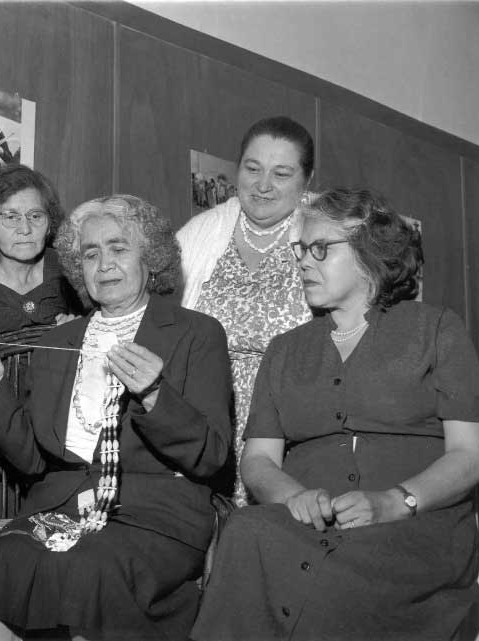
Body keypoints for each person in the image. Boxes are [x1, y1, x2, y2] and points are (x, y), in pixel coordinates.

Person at [191, 189, 479, 640]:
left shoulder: (437, 329)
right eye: (300, 250)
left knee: (324, 582)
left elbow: (470, 456)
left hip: (414, 526)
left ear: (370, 252)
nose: (303, 261)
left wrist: (396, 501)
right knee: (247, 532)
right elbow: (258, 461)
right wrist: (293, 497)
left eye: (320, 249)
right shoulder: (285, 350)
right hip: (308, 522)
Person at [0, 195, 232, 641]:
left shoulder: (196, 333)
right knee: (2, 556)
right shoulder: (62, 339)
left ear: (150, 258)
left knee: (92, 566)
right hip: (61, 506)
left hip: (154, 514)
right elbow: (30, 460)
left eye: (119, 248)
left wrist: (155, 395)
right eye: (91, 253)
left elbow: (212, 456)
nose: (104, 263)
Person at [177, 116, 314, 504]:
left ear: (308, 179)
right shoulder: (199, 233)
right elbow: (159, 320)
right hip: (204, 419)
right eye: (252, 168)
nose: (263, 185)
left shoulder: (320, 239)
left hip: (287, 426)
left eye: (282, 173)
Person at [0, 164, 80, 348]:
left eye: (35, 216)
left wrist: (78, 332)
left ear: (49, 224)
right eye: (11, 217)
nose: (25, 229)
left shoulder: (66, 268)